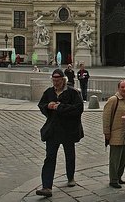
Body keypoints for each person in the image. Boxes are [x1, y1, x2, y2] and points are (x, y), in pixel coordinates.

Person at [36, 69, 84, 198]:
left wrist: (60, 107)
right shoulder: (49, 92)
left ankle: (70, 177)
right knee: (50, 157)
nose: (56, 83)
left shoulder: (73, 92)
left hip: (68, 130)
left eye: (58, 80)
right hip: (53, 130)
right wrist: (48, 106)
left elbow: (79, 109)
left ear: (63, 80)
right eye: (54, 80)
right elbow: (41, 104)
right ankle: (46, 186)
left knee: (70, 155)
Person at [103, 80, 125, 189]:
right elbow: (106, 117)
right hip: (115, 133)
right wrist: (106, 132)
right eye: (122, 87)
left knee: (123, 158)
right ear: (118, 88)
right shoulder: (113, 100)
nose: (124, 89)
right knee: (115, 158)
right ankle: (113, 179)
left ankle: (119, 176)